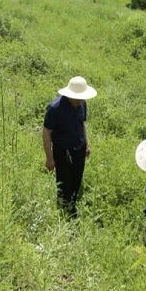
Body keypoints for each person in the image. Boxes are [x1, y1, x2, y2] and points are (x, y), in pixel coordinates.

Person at [42, 76, 97, 218]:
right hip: (63, 151)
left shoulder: (82, 104)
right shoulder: (55, 108)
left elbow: (82, 124)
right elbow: (46, 132)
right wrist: (49, 158)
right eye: (77, 98)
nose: (79, 100)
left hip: (79, 148)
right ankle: (66, 212)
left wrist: (86, 143)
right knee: (64, 183)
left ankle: (72, 202)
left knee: (76, 180)